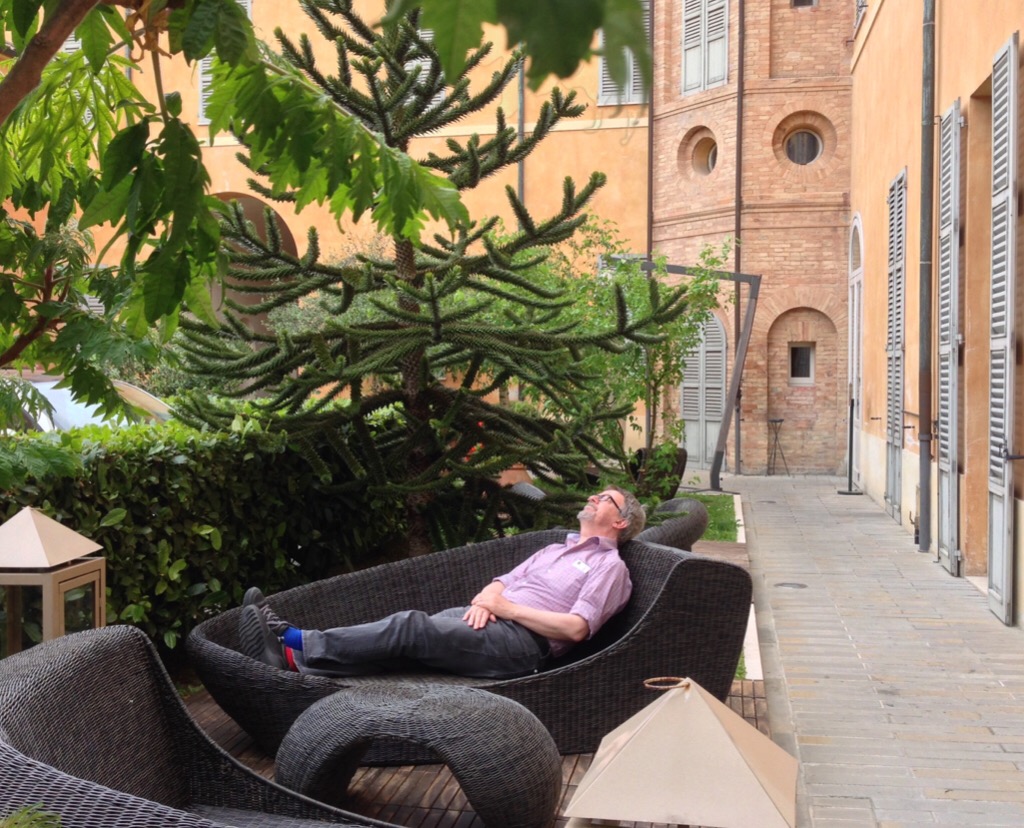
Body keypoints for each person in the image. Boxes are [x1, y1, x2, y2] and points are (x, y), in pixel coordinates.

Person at [238, 486, 646, 679]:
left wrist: (505, 608)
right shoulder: (556, 548)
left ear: (620, 521)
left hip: (521, 646)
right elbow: (502, 581)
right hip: (488, 617)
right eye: (594, 494)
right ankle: (295, 665)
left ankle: (294, 640)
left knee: (410, 628)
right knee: (403, 649)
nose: (592, 498)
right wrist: (488, 601)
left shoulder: (610, 568)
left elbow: (576, 628)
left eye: (604, 499)